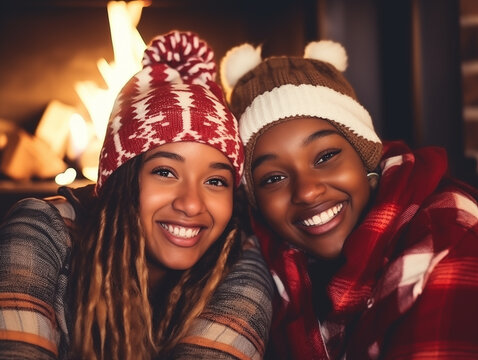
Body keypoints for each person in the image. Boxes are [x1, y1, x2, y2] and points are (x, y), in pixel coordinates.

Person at [0, 30, 273, 360]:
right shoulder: (40, 228)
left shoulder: (240, 257)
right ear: (123, 180)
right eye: (165, 172)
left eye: (215, 181)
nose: (190, 203)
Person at [219, 39, 478, 359]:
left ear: (365, 157)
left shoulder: (449, 241)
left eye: (325, 156)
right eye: (273, 178)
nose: (307, 191)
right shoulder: (269, 252)